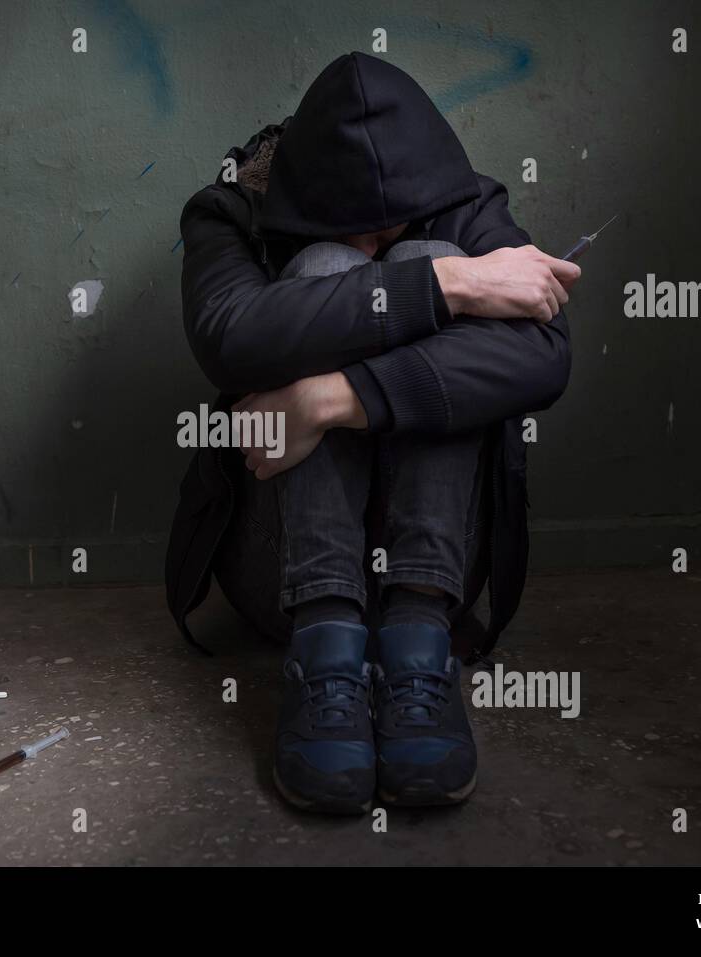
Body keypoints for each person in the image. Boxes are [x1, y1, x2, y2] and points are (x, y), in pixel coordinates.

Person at [165, 52, 579, 814]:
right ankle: (324, 656)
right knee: (338, 270)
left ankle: (419, 655)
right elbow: (230, 336)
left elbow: (544, 354)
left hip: (444, 564)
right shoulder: (231, 209)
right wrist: (450, 286)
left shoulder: (456, 204)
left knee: (429, 256)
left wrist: (336, 394)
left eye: (388, 229)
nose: (375, 244)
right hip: (282, 568)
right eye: (356, 228)